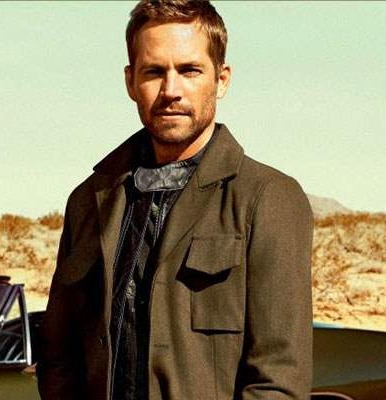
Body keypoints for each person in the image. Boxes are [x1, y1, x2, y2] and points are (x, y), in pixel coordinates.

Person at [37, 1, 314, 399]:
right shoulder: (90, 200)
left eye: (189, 70)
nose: (170, 91)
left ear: (221, 80)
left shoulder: (266, 198)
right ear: (131, 81)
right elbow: (58, 356)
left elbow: (279, 380)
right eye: (154, 72)